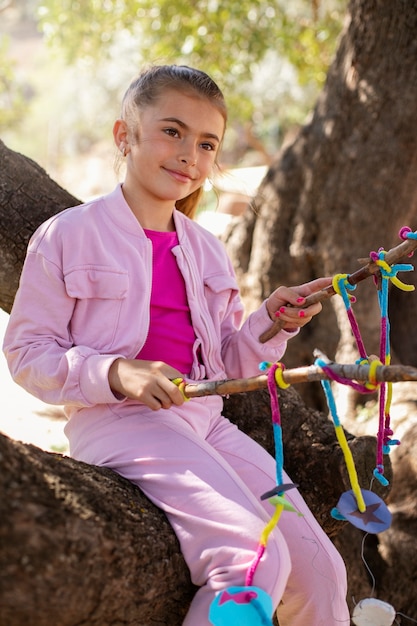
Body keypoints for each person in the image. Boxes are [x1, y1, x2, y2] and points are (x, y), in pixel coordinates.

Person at [3, 65, 350, 626]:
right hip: (120, 424)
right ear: (126, 136)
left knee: (320, 570)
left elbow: (226, 365)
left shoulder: (206, 251)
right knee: (251, 561)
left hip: (207, 424)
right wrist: (117, 373)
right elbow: (27, 353)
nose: (189, 152)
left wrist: (273, 322)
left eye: (206, 142)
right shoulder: (68, 235)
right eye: (172, 131)